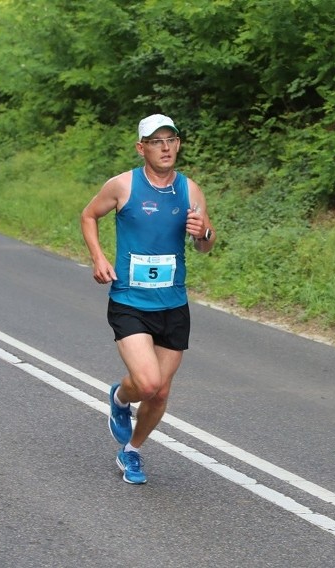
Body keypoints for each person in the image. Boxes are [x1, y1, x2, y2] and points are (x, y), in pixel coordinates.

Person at [80, 113, 216, 484]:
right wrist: (98, 257)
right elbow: (89, 215)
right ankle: (122, 398)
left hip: (173, 303)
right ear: (142, 148)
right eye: (156, 141)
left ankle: (132, 450)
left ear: (178, 144)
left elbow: (204, 244)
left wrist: (203, 231)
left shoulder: (190, 190)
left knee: (159, 393)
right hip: (130, 301)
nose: (166, 147)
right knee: (149, 382)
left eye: (171, 139)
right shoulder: (122, 186)